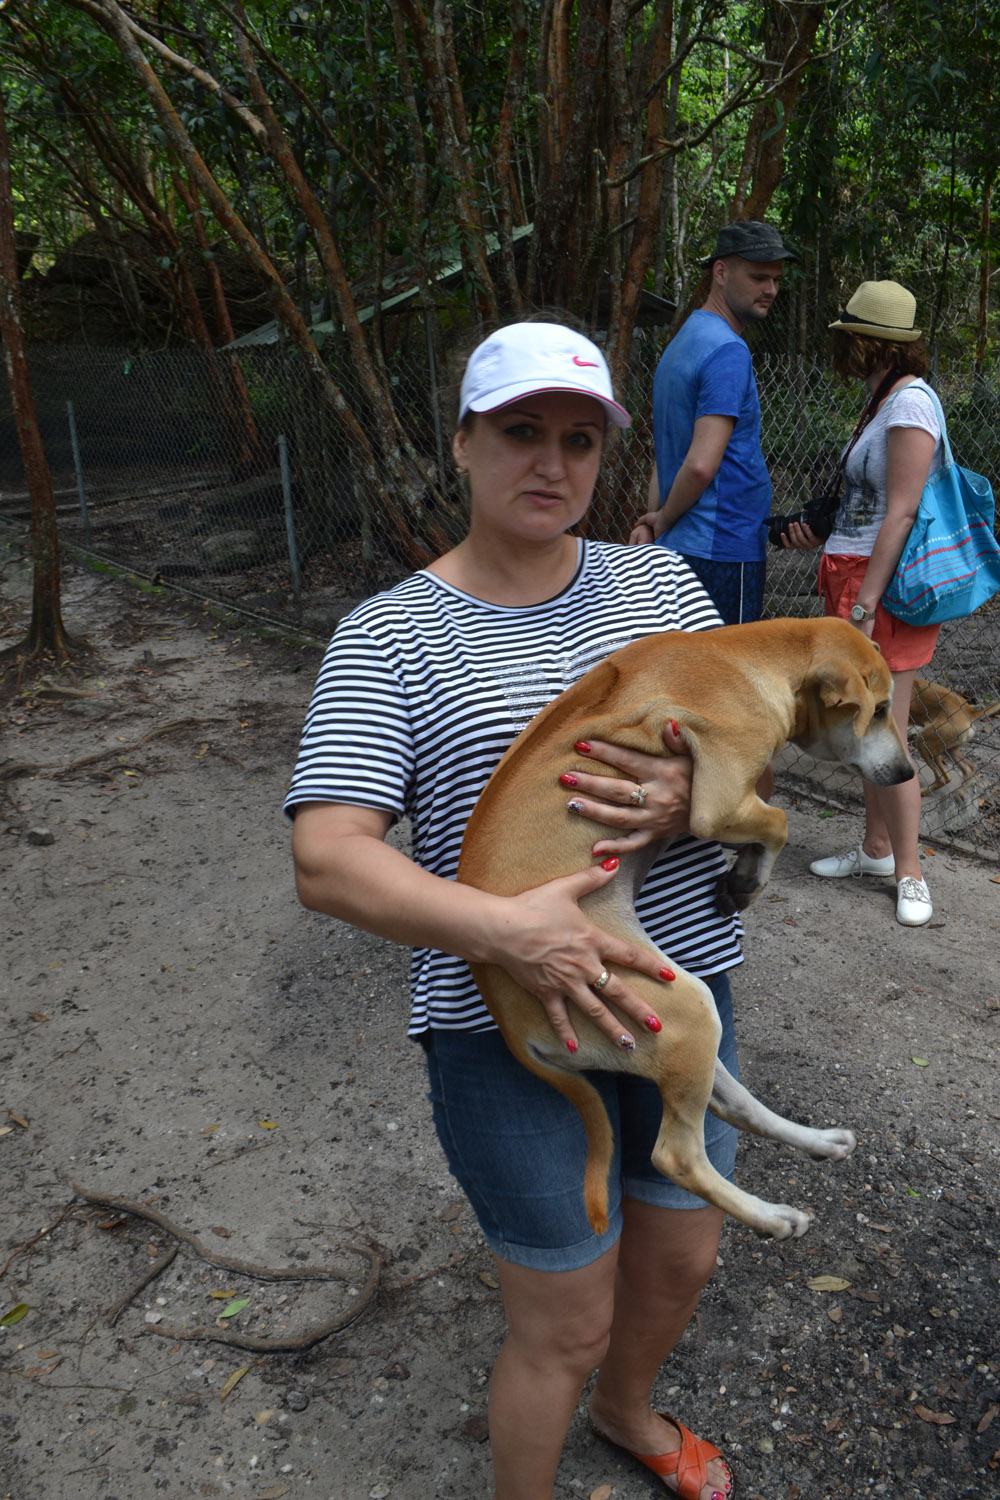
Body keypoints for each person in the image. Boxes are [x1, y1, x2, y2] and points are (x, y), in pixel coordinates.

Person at [285, 320, 740, 1500]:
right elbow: (329, 857)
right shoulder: (393, 632)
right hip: (508, 1028)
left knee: (683, 1250)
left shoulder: (656, 584)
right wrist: (507, 932)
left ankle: (629, 1416)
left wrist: (703, 792)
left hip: (676, 991)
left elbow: (753, 760)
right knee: (562, 1323)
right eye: (522, 433)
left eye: (579, 441)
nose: (551, 464)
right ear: (464, 443)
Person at [781, 280, 942, 927]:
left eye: (846, 335)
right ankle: (877, 850)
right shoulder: (884, 400)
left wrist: (866, 601)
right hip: (850, 574)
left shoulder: (910, 406)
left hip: (880, 587)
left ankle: (911, 872)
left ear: (867, 340)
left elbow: (901, 511)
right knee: (862, 725)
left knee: (886, 733)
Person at [630, 219, 799, 626]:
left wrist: (656, 521)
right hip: (723, 549)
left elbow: (668, 450)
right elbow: (702, 463)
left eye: (776, 279)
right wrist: (664, 519)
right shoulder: (728, 350)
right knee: (729, 684)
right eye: (759, 277)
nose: (770, 290)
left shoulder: (682, 342)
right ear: (720, 272)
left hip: (682, 548)